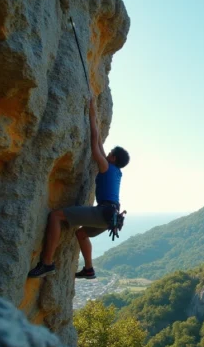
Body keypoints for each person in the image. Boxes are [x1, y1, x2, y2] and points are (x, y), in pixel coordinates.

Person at [27, 96, 129, 279]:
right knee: (81, 233)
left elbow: (94, 142)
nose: (108, 154)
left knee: (56, 216)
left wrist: (91, 113)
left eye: (110, 153)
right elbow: (100, 143)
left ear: (112, 158)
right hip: (111, 217)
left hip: (104, 212)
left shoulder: (105, 166)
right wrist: (95, 114)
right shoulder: (116, 171)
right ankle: (89, 269)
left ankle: (47, 263)